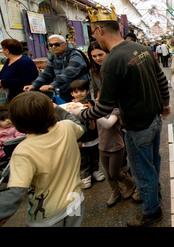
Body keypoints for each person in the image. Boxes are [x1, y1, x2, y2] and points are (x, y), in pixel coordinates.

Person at [76, 4, 170, 227]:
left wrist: (81, 114)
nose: (94, 38)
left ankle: (151, 212)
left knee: (141, 171)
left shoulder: (111, 62)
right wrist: (165, 104)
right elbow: (162, 81)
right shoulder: (142, 49)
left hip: (137, 126)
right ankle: (154, 196)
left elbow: (104, 107)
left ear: (99, 30)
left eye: (92, 32)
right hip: (155, 119)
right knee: (153, 163)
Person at [0, 92, 86, 227]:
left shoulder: (23, 151)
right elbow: (79, 126)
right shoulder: (67, 127)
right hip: (75, 201)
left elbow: (16, 192)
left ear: (18, 124)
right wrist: (57, 108)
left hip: (47, 215)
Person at [87, 42, 136, 207]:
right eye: (94, 56)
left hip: (120, 111)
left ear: (107, 53)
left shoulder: (118, 66)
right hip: (104, 110)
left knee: (122, 150)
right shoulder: (94, 71)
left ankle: (131, 183)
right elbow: (94, 90)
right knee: (109, 160)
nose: (97, 59)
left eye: (100, 55)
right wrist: (97, 104)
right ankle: (117, 190)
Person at [23, 34, 89, 103]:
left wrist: (52, 85)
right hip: (63, 92)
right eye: (51, 45)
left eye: (57, 44)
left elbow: (69, 73)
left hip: (79, 92)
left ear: (65, 44)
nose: (54, 47)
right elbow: (46, 73)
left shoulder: (75, 55)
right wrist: (33, 85)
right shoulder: (53, 57)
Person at [69, 80, 105, 189]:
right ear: (72, 94)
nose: (79, 93)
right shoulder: (71, 106)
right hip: (81, 139)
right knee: (83, 159)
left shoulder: (92, 103)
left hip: (94, 136)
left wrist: (91, 109)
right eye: (75, 91)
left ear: (87, 91)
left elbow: (97, 117)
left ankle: (95, 171)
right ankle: (85, 176)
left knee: (95, 155)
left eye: (82, 90)